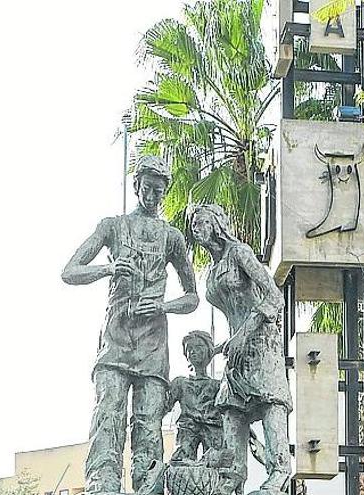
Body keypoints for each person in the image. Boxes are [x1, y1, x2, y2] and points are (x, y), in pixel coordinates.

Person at [61, 155, 199, 495]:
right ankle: (102, 486)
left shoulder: (171, 237)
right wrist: (107, 269)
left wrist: (164, 306)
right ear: (136, 186)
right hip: (116, 338)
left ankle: (148, 486)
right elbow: (70, 271)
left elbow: (193, 296)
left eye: (159, 191)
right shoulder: (112, 226)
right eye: (148, 188)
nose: (152, 196)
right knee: (108, 416)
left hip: (153, 343)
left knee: (149, 425)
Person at [188, 204, 292, 495]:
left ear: (217, 224)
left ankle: (279, 472)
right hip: (236, 352)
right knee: (231, 410)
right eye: (194, 224)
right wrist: (221, 345)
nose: (195, 229)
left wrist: (244, 334)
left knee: (271, 403)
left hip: (261, 342)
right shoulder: (212, 269)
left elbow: (274, 297)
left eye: (201, 223)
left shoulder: (240, 253)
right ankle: (232, 476)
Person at [164, 330, 224, 463]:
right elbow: (164, 407)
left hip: (213, 429)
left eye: (198, 347)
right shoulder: (180, 383)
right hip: (188, 429)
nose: (193, 351)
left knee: (216, 464)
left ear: (208, 351)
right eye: (189, 348)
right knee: (181, 462)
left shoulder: (217, 385)